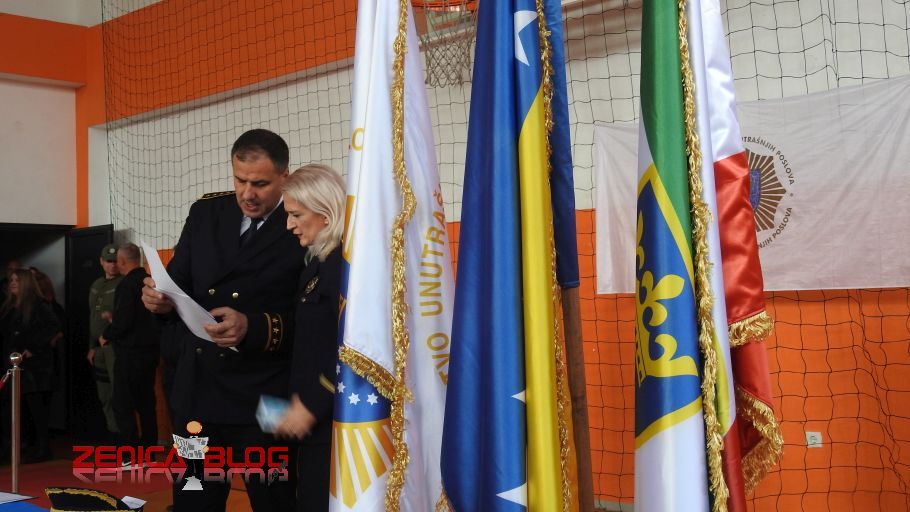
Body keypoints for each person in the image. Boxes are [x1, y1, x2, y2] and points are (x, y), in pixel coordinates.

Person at [141, 128, 305, 512]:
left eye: (260, 184)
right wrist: (159, 301)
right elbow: (178, 284)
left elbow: (315, 317)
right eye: (240, 180)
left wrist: (253, 327)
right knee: (193, 502)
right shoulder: (206, 213)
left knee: (273, 501)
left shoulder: (303, 221)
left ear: (284, 176)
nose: (248, 193)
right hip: (200, 391)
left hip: (267, 397)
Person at [274, 164, 344, 512]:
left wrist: (312, 404)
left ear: (325, 213)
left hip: (334, 421)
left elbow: (353, 347)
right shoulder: (316, 264)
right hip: (314, 423)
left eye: (296, 215)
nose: (289, 225)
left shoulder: (341, 266)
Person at [101, 243, 160, 459]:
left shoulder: (126, 285)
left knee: (123, 404)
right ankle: (149, 451)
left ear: (122, 261)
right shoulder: (151, 282)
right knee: (146, 403)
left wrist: (107, 333)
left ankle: (129, 454)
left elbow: (124, 321)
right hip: (151, 353)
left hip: (129, 354)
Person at [0, 269, 60, 463]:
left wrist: (33, 347)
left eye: (17, 280)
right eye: (11, 280)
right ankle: (14, 445)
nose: (12, 283)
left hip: (34, 367)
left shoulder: (37, 304)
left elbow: (53, 326)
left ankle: (43, 448)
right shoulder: (9, 306)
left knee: (36, 409)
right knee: (13, 408)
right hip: (14, 365)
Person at [87, 244, 122, 442]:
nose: (113, 265)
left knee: (118, 393)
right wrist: (91, 347)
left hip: (114, 346)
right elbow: (92, 317)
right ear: (101, 262)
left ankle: (121, 437)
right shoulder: (96, 284)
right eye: (109, 261)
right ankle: (111, 431)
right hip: (99, 348)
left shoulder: (122, 283)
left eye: (116, 261)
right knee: (104, 393)